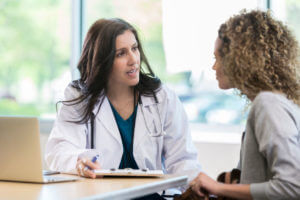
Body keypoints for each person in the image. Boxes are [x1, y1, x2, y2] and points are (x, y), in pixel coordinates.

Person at [45, 18, 201, 184]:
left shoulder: (162, 98)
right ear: (102, 60)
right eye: (121, 53)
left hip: (151, 195)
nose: (133, 60)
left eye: (134, 48)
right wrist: (79, 161)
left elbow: (183, 160)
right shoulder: (80, 97)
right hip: (101, 194)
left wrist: (194, 187)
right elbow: (59, 150)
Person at [190, 10, 300, 200]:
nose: (214, 67)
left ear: (239, 60)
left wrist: (218, 188)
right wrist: (230, 181)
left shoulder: (268, 104)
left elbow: (292, 187)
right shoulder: (277, 102)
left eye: (218, 58)